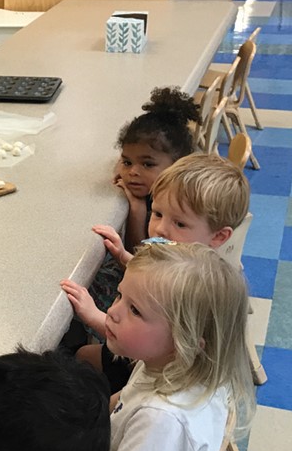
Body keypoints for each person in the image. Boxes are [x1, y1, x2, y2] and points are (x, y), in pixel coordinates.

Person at [82, 241, 254, 451]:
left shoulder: (165, 417)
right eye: (120, 296)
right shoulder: (170, 365)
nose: (113, 312)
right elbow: (121, 400)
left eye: (135, 310)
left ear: (187, 340)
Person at [63, 153, 250, 383]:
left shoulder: (194, 289)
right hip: (150, 359)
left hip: (156, 373)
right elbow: (157, 283)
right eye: (157, 213)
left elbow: (142, 337)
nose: (160, 229)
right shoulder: (185, 259)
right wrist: (123, 255)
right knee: (84, 355)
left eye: (180, 223)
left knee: (82, 356)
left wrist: (93, 316)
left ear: (219, 236)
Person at [60, 87, 199, 391]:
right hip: (155, 342)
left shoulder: (178, 218)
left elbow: (145, 256)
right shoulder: (175, 193)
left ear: (178, 165)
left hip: (146, 367)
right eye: (126, 162)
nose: (133, 172)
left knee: (84, 299)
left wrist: (136, 209)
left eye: (147, 164)